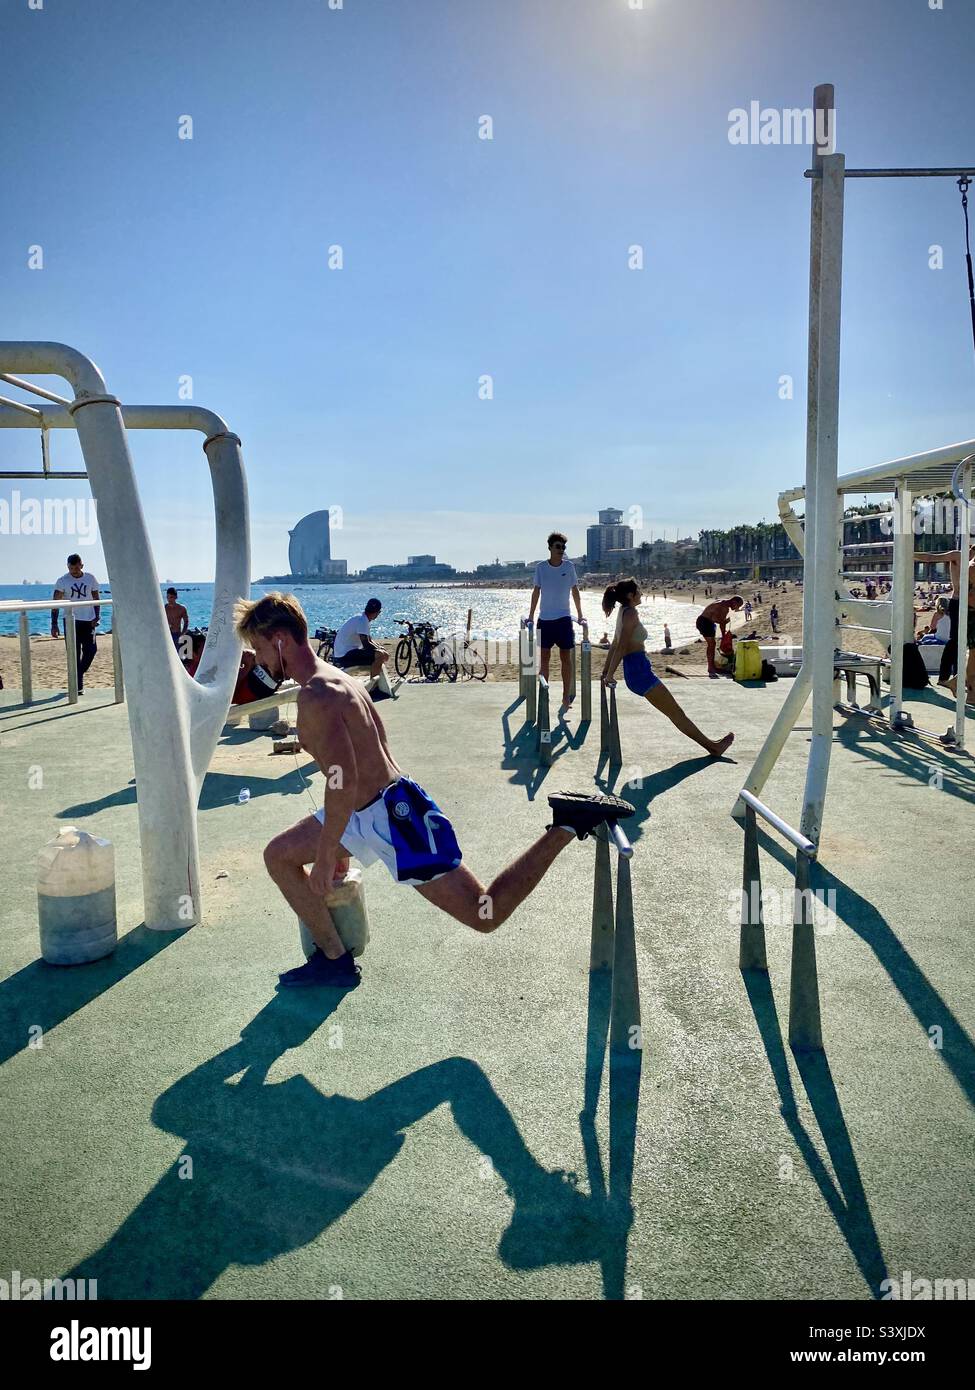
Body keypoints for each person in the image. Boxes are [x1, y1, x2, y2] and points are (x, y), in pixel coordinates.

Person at [235, 593, 635, 988]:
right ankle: (333, 960)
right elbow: (376, 743)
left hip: (392, 817)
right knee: (279, 856)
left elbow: (343, 781)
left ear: (280, 640)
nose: (261, 661)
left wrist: (325, 857)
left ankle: (564, 825)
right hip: (367, 810)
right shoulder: (338, 678)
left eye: (259, 649)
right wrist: (343, 841)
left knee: (484, 913)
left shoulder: (317, 694)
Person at [601, 580, 734, 758]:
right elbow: (621, 645)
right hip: (639, 671)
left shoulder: (624, 611)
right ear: (630, 596)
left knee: (675, 713)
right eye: (638, 591)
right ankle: (713, 747)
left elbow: (616, 643)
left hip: (638, 669)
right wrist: (608, 675)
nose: (641, 593)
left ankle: (712, 745)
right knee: (676, 713)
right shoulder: (630, 613)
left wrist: (605, 672)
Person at [528, 532, 583, 717]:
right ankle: (544, 694)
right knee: (543, 660)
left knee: (565, 659)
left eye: (563, 547)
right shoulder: (541, 568)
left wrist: (581, 615)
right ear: (550, 547)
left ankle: (566, 696)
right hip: (545, 621)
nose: (561, 550)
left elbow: (575, 591)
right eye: (558, 546)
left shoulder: (569, 566)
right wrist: (530, 616)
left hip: (564, 620)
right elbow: (536, 592)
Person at [913, 545, 975, 690]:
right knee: (955, 641)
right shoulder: (957, 556)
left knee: (966, 644)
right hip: (958, 601)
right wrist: (910, 553)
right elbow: (931, 558)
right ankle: (945, 677)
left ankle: (957, 677)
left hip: (970, 605)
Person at [51, 554, 100, 695]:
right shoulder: (62, 581)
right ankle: (78, 687)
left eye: (77, 568)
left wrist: (97, 616)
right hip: (71, 621)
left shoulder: (90, 578)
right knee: (74, 654)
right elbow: (55, 603)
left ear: (82, 566)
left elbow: (96, 597)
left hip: (88, 620)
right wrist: (54, 624)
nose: (74, 571)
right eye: (71, 568)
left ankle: (77, 675)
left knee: (91, 650)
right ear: (68, 567)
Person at [332, 598, 388, 678]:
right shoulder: (362, 621)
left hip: (345, 653)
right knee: (380, 655)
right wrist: (380, 651)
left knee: (381, 654)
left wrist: (380, 648)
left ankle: (377, 682)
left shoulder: (362, 618)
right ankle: (375, 685)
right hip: (345, 656)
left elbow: (369, 639)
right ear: (378, 612)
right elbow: (366, 644)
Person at [695, 595, 744, 678]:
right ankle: (711, 667)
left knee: (712, 644)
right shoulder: (723, 606)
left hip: (708, 622)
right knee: (711, 644)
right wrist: (724, 622)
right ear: (734, 602)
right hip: (704, 621)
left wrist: (724, 634)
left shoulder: (724, 604)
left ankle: (712, 666)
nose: (737, 608)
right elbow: (716, 619)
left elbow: (721, 622)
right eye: (737, 606)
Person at [165, 588, 190, 654]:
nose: (169, 599)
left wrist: (182, 634)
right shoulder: (165, 608)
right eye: (167, 597)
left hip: (177, 634)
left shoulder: (181, 608)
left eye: (171, 597)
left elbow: (186, 621)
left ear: (176, 597)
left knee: (176, 654)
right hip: (167, 634)